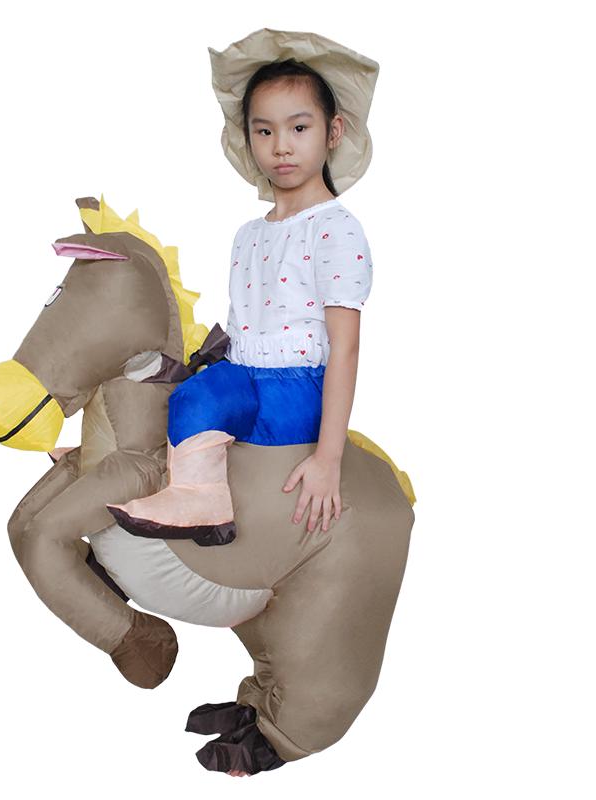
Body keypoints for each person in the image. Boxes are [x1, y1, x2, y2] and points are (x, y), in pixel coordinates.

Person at [107, 31, 379, 690]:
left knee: (255, 450)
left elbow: (345, 344)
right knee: (190, 398)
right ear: (248, 139)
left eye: (298, 127)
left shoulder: (336, 229)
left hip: (296, 384)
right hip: (245, 371)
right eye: (264, 131)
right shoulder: (248, 235)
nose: (281, 145)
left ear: (333, 131)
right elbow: (244, 326)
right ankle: (197, 498)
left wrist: (329, 456)